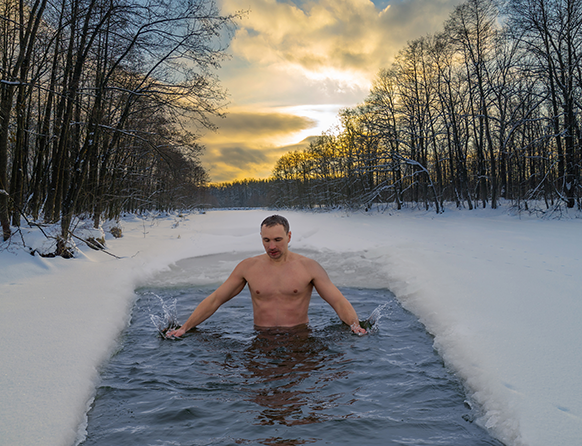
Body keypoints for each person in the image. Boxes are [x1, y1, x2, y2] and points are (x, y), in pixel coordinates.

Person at [166, 215, 367, 337]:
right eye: (266, 240)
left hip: (299, 336)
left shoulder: (309, 267)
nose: (272, 246)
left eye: (278, 239)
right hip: (261, 337)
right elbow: (216, 299)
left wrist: (355, 326)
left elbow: (338, 301)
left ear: (289, 237)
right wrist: (185, 327)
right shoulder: (248, 267)